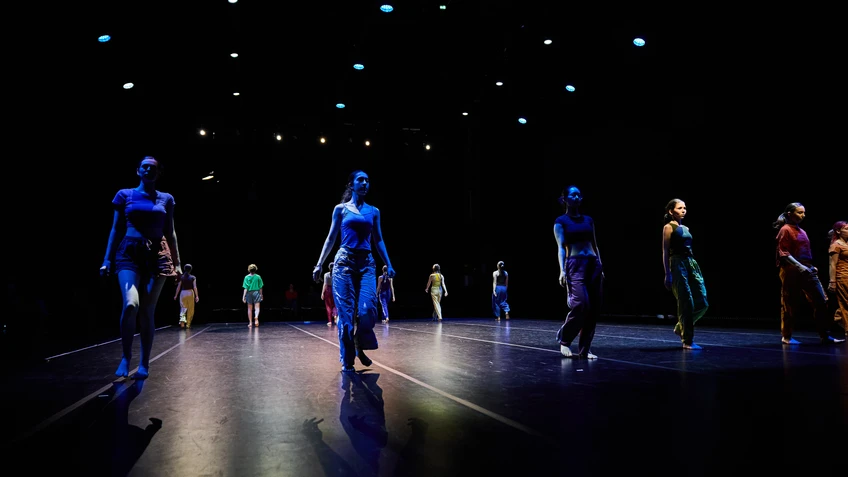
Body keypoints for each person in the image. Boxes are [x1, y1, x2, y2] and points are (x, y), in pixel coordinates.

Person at [100, 156, 182, 379]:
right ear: (138, 171)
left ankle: (144, 362)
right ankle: (126, 357)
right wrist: (107, 259)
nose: (148, 169)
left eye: (153, 167)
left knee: (147, 311)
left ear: (158, 173)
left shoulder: (166, 198)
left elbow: (171, 231)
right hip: (129, 253)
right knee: (130, 304)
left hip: (157, 256)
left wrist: (177, 263)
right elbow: (115, 229)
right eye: (144, 166)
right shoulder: (124, 194)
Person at [312, 170, 396, 372]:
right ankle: (347, 361)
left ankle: (359, 343)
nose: (365, 183)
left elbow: (379, 239)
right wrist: (319, 263)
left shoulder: (374, 211)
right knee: (347, 319)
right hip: (344, 264)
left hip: (367, 263)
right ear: (351, 184)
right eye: (361, 180)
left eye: (368, 180)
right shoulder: (340, 210)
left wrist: (389, 263)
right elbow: (331, 238)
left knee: (367, 309)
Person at [773, 203, 844, 344]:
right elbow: (783, 253)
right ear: (789, 214)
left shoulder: (802, 231)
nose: (802, 215)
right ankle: (786, 336)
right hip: (791, 270)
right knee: (790, 303)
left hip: (807, 269)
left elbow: (804, 252)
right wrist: (799, 266)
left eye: (803, 213)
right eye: (799, 212)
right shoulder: (785, 229)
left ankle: (824, 335)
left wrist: (810, 266)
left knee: (822, 301)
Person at [554, 185, 603, 359]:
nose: (577, 197)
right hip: (575, 264)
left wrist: (601, 265)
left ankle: (585, 349)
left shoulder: (588, 220)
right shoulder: (561, 221)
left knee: (594, 309)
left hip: (593, 264)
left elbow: (595, 244)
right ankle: (565, 338)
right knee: (581, 304)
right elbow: (560, 247)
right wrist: (562, 270)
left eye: (579, 195)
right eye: (573, 195)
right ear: (565, 199)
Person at [662, 198, 707, 350]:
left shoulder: (686, 228)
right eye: (680, 208)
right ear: (671, 211)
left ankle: (680, 327)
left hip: (691, 263)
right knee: (686, 301)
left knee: (702, 301)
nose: (683, 210)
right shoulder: (669, 227)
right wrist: (667, 274)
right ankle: (687, 340)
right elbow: (665, 251)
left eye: (685, 208)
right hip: (677, 263)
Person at [826, 220, 848, 337]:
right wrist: (832, 281)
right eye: (847, 229)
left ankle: (838, 318)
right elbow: (832, 264)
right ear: (838, 231)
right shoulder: (836, 245)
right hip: (842, 277)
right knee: (845, 303)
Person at [174, 263, 199, 329]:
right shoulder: (193, 277)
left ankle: (182, 323)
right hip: (190, 292)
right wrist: (197, 296)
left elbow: (178, 287)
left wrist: (176, 295)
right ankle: (188, 324)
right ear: (191, 269)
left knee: (183, 308)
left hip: (183, 293)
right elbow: (195, 287)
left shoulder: (181, 277)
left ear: (184, 269)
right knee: (190, 309)